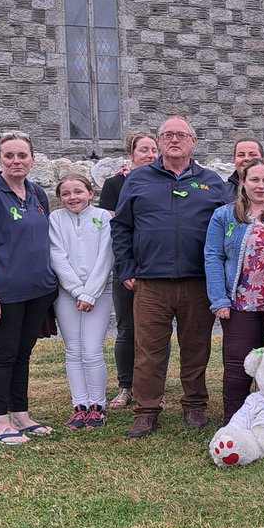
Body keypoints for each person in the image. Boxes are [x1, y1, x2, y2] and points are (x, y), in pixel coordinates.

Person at [111, 116, 230, 438]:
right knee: (148, 350)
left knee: (196, 347)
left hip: (197, 281)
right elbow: (121, 227)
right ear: (159, 142)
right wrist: (127, 268)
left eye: (181, 135)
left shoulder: (213, 182)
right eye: (168, 135)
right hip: (150, 282)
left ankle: (194, 405)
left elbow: (229, 228)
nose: (174, 140)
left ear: (193, 142)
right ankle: (147, 410)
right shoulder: (138, 180)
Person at [0, 132, 59, 445]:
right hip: (5, 294)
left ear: (32, 159)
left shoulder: (37, 194)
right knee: (4, 355)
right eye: (9, 156)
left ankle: (21, 415)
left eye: (22, 155)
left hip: (38, 292)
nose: (16, 161)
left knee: (23, 354)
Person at [205, 158, 264, 421]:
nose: (261, 185)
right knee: (238, 365)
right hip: (240, 303)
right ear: (242, 183)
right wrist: (219, 300)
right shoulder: (224, 216)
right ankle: (235, 420)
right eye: (254, 179)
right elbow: (213, 256)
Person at [98, 131, 159, 411]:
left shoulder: (164, 181)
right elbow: (113, 228)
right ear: (131, 154)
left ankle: (152, 386)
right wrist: (126, 268)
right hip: (126, 265)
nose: (149, 155)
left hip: (154, 268)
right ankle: (125, 386)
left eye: (153, 150)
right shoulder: (115, 185)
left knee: (156, 333)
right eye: (143, 150)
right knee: (127, 329)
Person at [50, 173, 115, 430]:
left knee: (91, 349)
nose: (72, 197)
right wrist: (77, 290)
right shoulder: (55, 219)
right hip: (67, 293)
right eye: (66, 193)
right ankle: (80, 405)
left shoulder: (102, 218)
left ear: (90, 193)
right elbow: (57, 255)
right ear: (59, 198)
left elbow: (106, 256)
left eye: (78, 191)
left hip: (98, 292)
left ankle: (98, 405)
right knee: (73, 350)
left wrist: (90, 293)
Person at [224, 136, 264, 203]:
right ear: (234, 160)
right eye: (241, 155)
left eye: (253, 155)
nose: (246, 158)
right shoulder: (221, 191)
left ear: (263, 159)